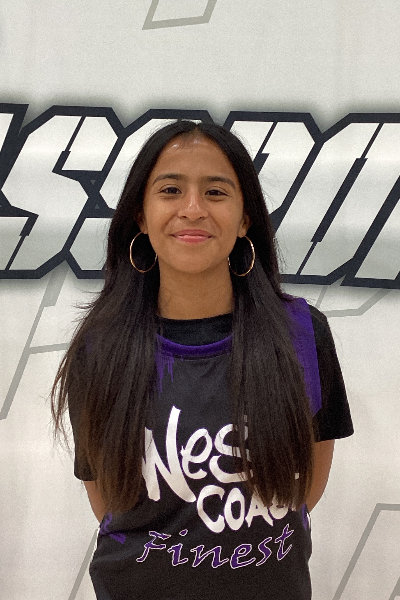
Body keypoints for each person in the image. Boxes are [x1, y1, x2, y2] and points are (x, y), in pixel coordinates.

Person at [51, 120, 353, 600]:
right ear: (141, 216)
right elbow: (106, 495)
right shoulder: (101, 347)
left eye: (215, 192)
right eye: (170, 190)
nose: (192, 209)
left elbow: (306, 484)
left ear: (245, 218)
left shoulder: (302, 333)